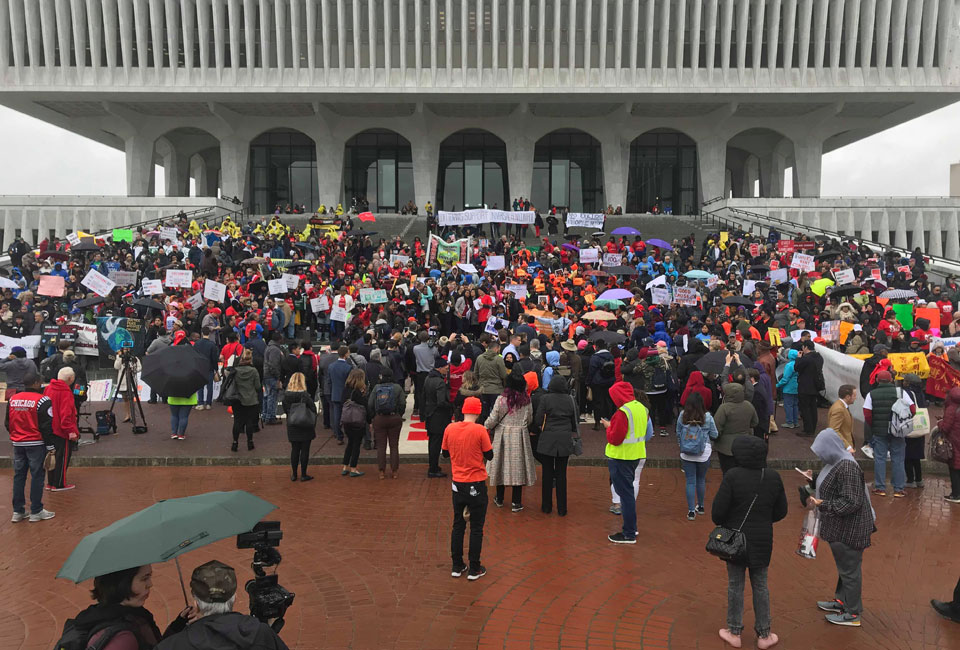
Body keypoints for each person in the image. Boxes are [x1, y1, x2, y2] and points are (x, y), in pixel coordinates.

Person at [712, 436, 788, 649]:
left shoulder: (732, 476)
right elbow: (781, 511)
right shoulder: (773, 477)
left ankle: (734, 631)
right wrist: (764, 520)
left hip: (736, 540)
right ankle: (764, 634)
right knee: (761, 585)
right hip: (763, 539)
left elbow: (717, 513)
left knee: (735, 584)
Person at [804, 429, 875, 628]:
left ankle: (853, 613)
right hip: (842, 528)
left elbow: (852, 501)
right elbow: (833, 483)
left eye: (821, 451)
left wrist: (823, 504)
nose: (820, 455)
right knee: (846, 568)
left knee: (850, 570)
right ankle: (842, 601)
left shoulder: (847, 466)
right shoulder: (837, 461)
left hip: (850, 529)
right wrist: (814, 478)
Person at [154, 560, 289, 650]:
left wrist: (176, 628)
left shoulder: (171, 646)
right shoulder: (261, 633)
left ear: (196, 602)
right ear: (234, 597)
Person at [61, 564, 194, 650]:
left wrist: (178, 625)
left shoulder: (128, 614)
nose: (150, 584)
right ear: (122, 583)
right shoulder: (121, 638)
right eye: (144, 578)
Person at [442, 396, 494, 581]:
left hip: (458, 483)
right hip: (476, 483)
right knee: (476, 527)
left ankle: (457, 565)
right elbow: (490, 455)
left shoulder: (450, 428)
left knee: (458, 524)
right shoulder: (480, 430)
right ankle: (474, 567)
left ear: (463, 410)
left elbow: (445, 453)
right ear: (478, 412)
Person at [602, 380, 654, 543]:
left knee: (625, 496)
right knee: (628, 494)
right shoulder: (641, 408)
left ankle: (629, 533)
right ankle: (631, 528)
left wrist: (609, 427)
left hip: (621, 457)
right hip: (636, 455)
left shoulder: (623, 412)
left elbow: (615, 438)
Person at [484, 367, 537, 512]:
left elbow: (493, 418)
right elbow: (530, 418)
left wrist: (486, 426)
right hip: (520, 435)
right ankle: (516, 502)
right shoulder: (527, 400)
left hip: (502, 434)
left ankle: (499, 498)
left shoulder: (501, 400)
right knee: (518, 468)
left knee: (501, 465)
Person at [7, 375, 55, 523]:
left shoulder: (13, 399)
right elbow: (46, 426)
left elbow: (7, 422)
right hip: (35, 442)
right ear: (36, 383)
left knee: (19, 476)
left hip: (18, 443)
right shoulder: (43, 400)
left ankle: (18, 511)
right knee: (37, 476)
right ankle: (36, 510)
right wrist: (50, 447)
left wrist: (16, 435)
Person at [531, 375, 578, 516]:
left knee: (547, 473)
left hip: (548, 438)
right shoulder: (570, 400)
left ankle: (546, 506)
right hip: (564, 438)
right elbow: (575, 420)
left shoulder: (545, 399)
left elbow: (538, 419)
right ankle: (562, 508)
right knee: (561, 474)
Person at [863, 370, 913, 497]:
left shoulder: (871, 394)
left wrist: (874, 425)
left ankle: (880, 487)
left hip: (879, 431)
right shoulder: (901, 392)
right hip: (898, 431)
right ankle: (898, 488)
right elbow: (912, 409)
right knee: (898, 459)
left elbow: (867, 413)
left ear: (878, 381)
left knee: (880, 458)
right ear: (891, 379)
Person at [675, 392, 719, 521]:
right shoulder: (708, 417)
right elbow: (715, 434)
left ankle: (690, 511)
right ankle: (700, 506)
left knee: (690, 480)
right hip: (703, 453)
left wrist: (681, 445)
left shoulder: (683, 415)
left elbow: (678, 432)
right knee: (701, 479)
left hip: (686, 453)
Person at [43, 366, 79, 491]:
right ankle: (59, 483)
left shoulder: (48, 389)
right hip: (61, 430)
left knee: (51, 456)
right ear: (70, 379)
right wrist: (70, 431)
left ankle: (50, 482)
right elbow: (66, 414)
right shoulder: (66, 392)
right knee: (62, 458)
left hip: (49, 428)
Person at [368, 367, 405, 479]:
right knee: (394, 445)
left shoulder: (376, 388)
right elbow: (402, 403)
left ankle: (381, 471)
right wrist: (399, 414)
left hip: (380, 418)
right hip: (394, 418)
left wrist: (374, 416)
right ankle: (394, 471)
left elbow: (370, 404)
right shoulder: (397, 388)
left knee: (381, 446)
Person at [714, 383, 759, 474]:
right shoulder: (748, 405)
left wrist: (716, 438)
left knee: (727, 472)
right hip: (744, 444)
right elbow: (755, 422)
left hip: (725, 447)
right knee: (743, 472)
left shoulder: (724, 408)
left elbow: (716, 427)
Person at [281, 372, 317, 482]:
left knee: (295, 449)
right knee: (305, 450)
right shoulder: (305, 395)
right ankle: (304, 474)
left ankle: (294, 474)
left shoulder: (286, 396)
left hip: (292, 424)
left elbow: (285, 409)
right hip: (305, 424)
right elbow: (313, 409)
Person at [422, 357, 453, 478]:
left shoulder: (428, 379)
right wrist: (450, 406)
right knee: (436, 444)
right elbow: (441, 401)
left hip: (430, 414)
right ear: (440, 368)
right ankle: (433, 469)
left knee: (432, 443)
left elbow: (423, 396)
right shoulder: (440, 382)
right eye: (446, 368)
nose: (447, 370)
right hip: (439, 417)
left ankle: (433, 466)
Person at [230, 350, 262, 452]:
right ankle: (250, 442)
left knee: (237, 422)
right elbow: (257, 386)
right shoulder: (253, 371)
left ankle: (235, 443)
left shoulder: (235, 370)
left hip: (237, 399)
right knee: (249, 421)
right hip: (250, 399)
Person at [340, 368, 368, 477]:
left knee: (350, 443)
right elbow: (364, 404)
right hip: (357, 420)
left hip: (347, 420)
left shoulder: (346, 388)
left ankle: (345, 466)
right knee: (357, 444)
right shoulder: (357, 391)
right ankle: (353, 468)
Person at [795, 341, 825, 437]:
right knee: (813, 408)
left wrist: (798, 358)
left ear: (806, 347)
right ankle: (813, 428)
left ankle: (808, 429)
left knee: (805, 408)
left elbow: (797, 367)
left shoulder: (806, 359)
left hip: (805, 386)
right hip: (816, 385)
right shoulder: (819, 357)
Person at [328, 346, 354, 445]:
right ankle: (349, 434)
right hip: (346, 395)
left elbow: (329, 381)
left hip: (335, 393)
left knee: (336, 416)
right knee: (349, 416)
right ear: (346, 354)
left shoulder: (331, 366)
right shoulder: (348, 367)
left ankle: (339, 435)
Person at [939, 387, 960, 503]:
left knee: (954, 468)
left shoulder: (951, 409)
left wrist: (939, 423)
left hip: (954, 442)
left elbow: (945, 428)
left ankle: (956, 495)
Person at [262, 332, 285, 425]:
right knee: (272, 395)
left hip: (267, 374)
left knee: (267, 395)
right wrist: (278, 376)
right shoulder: (275, 349)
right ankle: (270, 416)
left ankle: (265, 415)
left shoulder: (269, 347)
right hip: (271, 375)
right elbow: (274, 364)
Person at [827, 385, 857, 451]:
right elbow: (833, 430)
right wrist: (848, 447)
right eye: (854, 395)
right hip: (841, 449)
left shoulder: (841, 406)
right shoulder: (839, 409)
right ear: (848, 397)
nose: (856, 398)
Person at [775, 349, 799, 429]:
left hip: (788, 388)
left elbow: (785, 378)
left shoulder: (789, 365)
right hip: (797, 387)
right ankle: (795, 422)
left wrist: (778, 385)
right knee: (795, 405)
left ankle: (789, 422)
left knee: (788, 406)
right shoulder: (798, 364)